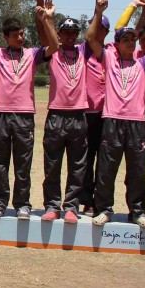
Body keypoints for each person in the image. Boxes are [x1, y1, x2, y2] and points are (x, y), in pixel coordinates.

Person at [87, 0, 145, 227]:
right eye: (126, 39)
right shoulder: (109, 59)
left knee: (137, 170)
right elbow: (91, 38)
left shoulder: (143, 62)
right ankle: (104, 209)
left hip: (136, 123)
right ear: (117, 43)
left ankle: (137, 211)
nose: (131, 42)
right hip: (112, 120)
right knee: (106, 169)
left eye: (133, 39)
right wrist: (98, 13)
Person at [0, 1, 58, 218]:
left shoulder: (32, 54)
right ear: (6, 37)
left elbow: (55, 47)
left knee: (23, 163)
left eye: (22, 34)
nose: (21, 38)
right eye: (16, 35)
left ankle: (22, 204)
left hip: (24, 115)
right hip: (0, 114)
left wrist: (47, 20)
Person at [40, 11, 90, 224]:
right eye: (66, 32)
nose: (70, 36)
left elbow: (93, 33)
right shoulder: (53, 52)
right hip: (56, 114)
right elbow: (46, 34)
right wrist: (47, 18)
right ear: (59, 34)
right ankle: (52, 206)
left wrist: (98, 6)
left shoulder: (83, 51)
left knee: (77, 165)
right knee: (52, 165)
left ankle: (71, 206)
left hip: (78, 114)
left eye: (74, 33)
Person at [79, 0, 110, 214]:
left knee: (104, 161)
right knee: (86, 160)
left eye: (99, 27)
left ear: (106, 32)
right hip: (86, 114)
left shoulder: (111, 52)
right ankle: (87, 200)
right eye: (93, 25)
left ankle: (101, 200)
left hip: (106, 115)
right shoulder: (83, 50)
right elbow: (92, 28)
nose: (95, 29)